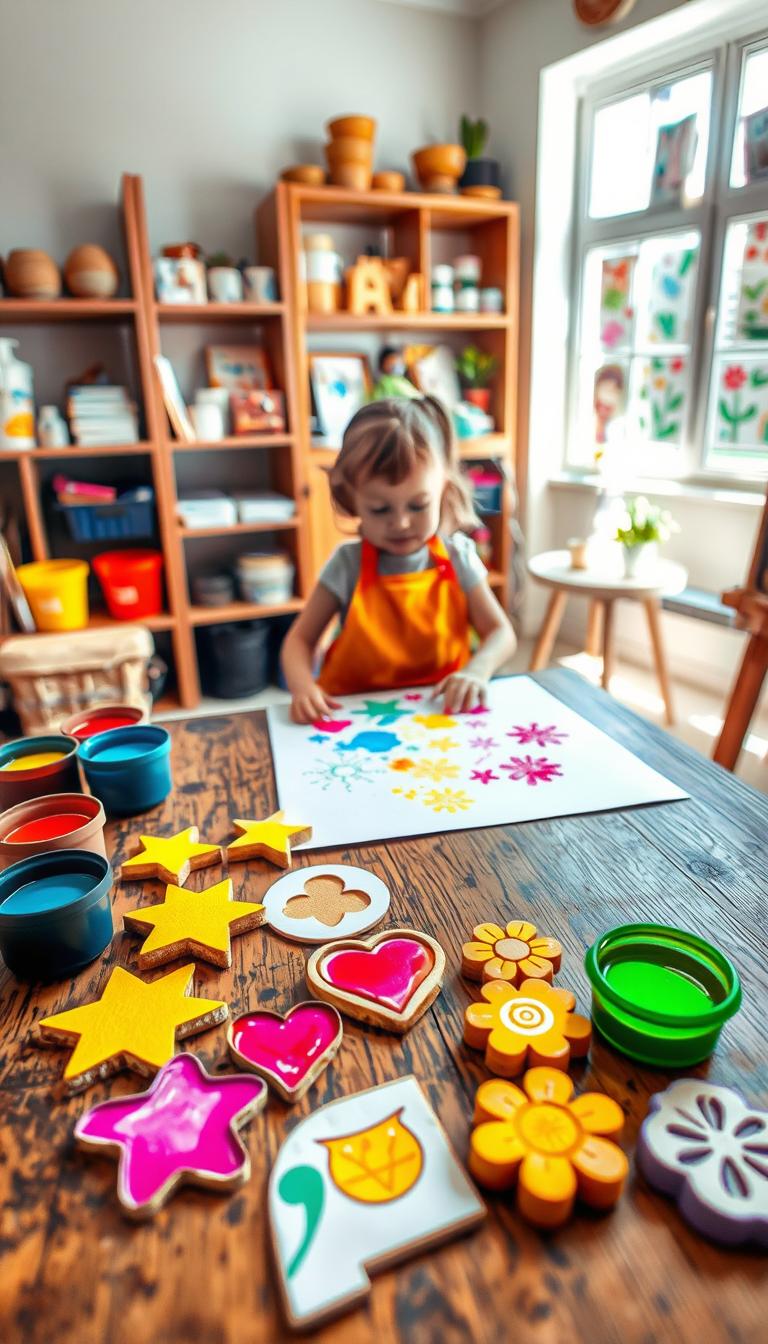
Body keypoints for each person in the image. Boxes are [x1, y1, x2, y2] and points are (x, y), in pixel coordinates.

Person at [281, 396, 516, 723]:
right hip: (355, 718)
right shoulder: (346, 564)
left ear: (443, 491)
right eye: (380, 509)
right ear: (352, 500)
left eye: (418, 505)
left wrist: (477, 671)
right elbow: (299, 641)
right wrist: (303, 687)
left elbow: (501, 632)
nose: (401, 523)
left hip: (440, 715)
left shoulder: (459, 557)